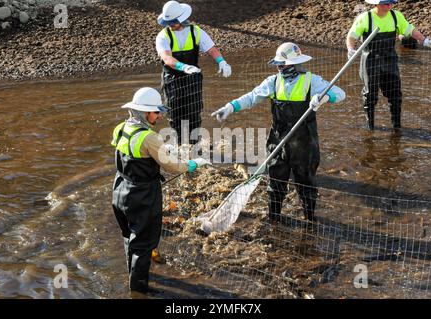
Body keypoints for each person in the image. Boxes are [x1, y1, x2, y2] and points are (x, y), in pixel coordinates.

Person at [211, 43, 346, 222]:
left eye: (282, 65)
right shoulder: (273, 82)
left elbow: (341, 93)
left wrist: (323, 97)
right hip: (278, 140)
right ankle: (274, 219)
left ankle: (310, 220)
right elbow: (252, 97)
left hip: (305, 143)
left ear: (294, 64)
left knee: (306, 184)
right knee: (275, 183)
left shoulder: (312, 81)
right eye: (278, 65)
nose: (279, 68)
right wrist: (231, 106)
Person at [111, 87, 210, 293]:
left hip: (119, 189)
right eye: (156, 112)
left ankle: (134, 273)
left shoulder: (120, 128)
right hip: (142, 196)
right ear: (144, 112)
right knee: (144, 244)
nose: (159, 115)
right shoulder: (149, 137)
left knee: (129, 236)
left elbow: (131, 152)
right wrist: (193, 164)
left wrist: (163, 150)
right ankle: (138, 290)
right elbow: (173, 166)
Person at [346, 0, 431, 130]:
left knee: (395, 94)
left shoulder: (396, 16)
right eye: (386, 3)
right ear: (376, 4)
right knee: (370, 94)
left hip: (390, 59)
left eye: (391, 3)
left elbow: (409, 29)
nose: (389, 6)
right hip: (370, 59)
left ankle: (397, 127)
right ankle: (370, 127)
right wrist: (350, 49)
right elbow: (351, 36)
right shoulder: (366, 18)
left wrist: (425, 41)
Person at [156, 0, 232, 145]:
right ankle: (179, 145)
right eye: (168, 22)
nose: (170, 25)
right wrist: (184, 67)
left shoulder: (196, 31)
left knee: (193, 112)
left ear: (182, 19)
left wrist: (222, 61)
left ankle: (195, 145)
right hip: (172, 79)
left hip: (193, 79)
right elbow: (166, 58)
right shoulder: (163, 36)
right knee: (175, 113)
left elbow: (212, 49)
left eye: (173, 22)